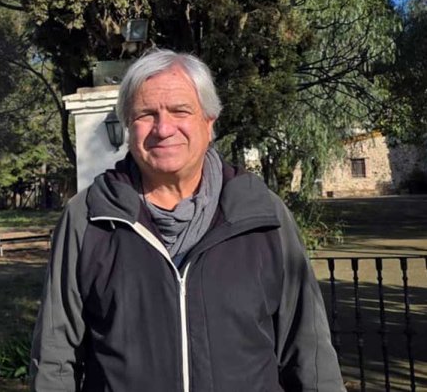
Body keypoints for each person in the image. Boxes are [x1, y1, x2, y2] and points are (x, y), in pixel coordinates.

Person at [30, 49, 343, 391]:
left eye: (180, 111)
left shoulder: (262, 216)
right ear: (128, 127)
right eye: (146, 114)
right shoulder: (88, 218)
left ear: (209, 123)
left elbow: (308, 351)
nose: (164, 129)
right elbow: (54, 356)